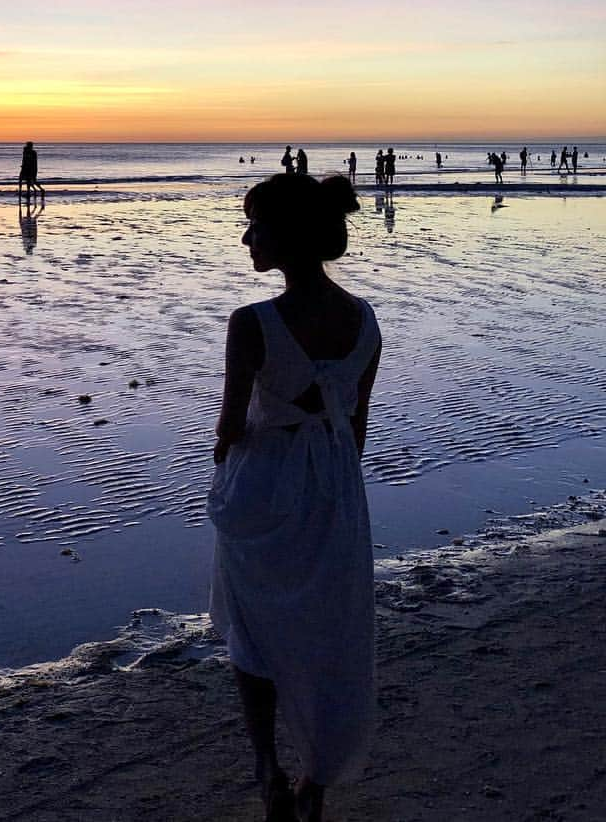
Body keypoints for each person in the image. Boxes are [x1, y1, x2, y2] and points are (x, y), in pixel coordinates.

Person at [208, 173, 381, 822]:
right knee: (327, 631)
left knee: (254, 635)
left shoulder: (251, 323)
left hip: (264, 484)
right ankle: (317, 780)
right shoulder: (364, 321)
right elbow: (356, 427)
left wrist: (225, 451)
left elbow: (230, 426)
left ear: (287, 236)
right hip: (334, 487)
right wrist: (334, 490)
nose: (247, 237)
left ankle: (267, 766)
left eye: (256, 225)